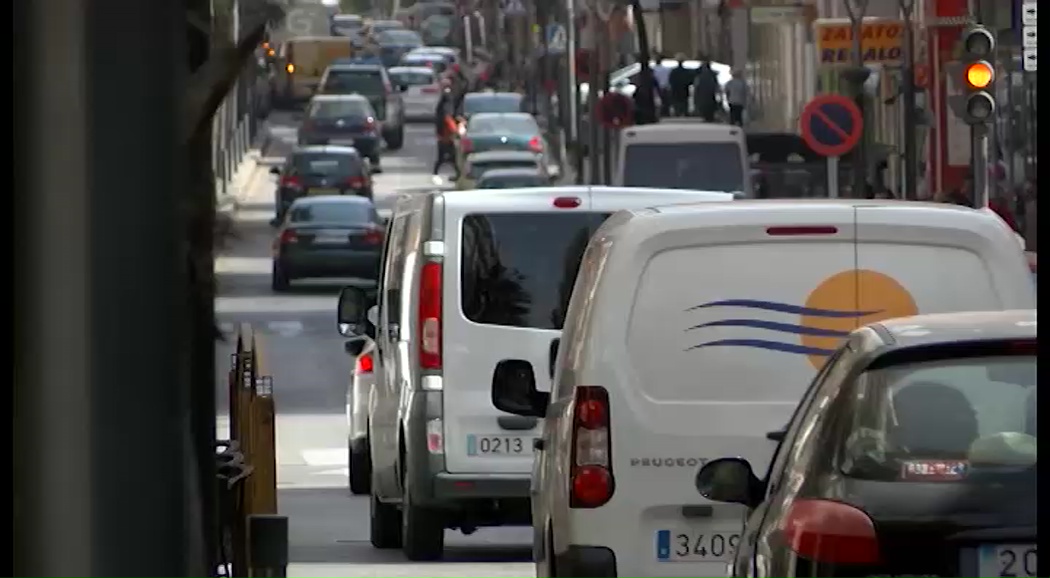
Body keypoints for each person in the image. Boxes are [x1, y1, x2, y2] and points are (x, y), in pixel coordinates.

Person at [432, 87, 459, 179]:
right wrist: (455, 131)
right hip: (447, 137)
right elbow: (448, 121)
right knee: (451, 158)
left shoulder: (440, 108)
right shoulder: (446, 109)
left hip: (442, 136)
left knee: (445, 158)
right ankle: (457, 174)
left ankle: (435, 173)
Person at [692, 58, 721, 122]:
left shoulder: (699, 76)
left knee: (704, 105)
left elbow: (696, 85)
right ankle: (710, 116)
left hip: (703, 94)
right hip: (710, 94)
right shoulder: (712, 75)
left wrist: (695, 94)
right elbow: (716, 86)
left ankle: (706, 116)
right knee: (709, 105)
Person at [651, 51, 672, 118]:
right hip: (665, 87)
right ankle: (666, 113)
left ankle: (660, 113)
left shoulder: (653, 70)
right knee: (666, 102)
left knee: (657, 102)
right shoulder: (666, 69)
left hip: (657, 88)